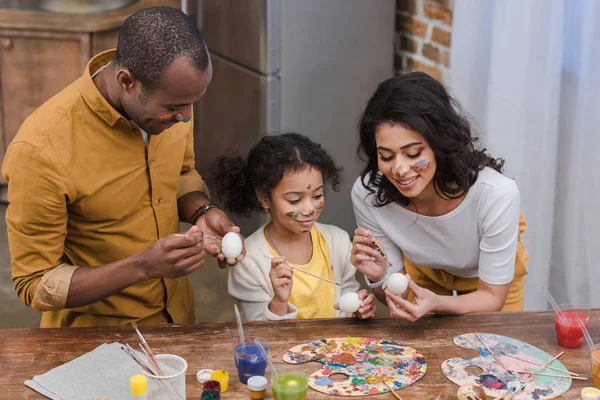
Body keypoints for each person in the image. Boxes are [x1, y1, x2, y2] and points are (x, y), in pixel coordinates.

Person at [2, 6, 244, 328]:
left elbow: (182, 175)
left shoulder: (174, 100)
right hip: (95, 342)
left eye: (192, 104)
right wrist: (143, 266)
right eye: (174, 107)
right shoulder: (41, 151)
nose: (186, 116)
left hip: (178, 321)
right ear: (127, 81)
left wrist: (202, 212)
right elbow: (35, 282)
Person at [350, 72, 528, 322]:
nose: (399, 170)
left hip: (485, 285)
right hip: (424, 271)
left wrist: (438, 303)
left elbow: (491, 299)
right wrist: (379, 277)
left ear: (440, 142)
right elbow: (394, 295)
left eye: (412, 153)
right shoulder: (368, 193)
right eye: (387, 157)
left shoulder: (495, 194)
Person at [210, 133, 376, 320]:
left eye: (317, 196)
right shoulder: (249, 260)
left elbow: (348, 300)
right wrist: (279, 302)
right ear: (264, 198)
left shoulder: (338, 242)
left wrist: (359, 307)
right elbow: (258, 335)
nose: (309, 209)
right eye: (294, 200)